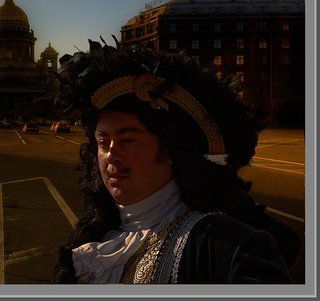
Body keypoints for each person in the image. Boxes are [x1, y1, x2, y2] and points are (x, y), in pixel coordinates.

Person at [51, 40, 301, 284]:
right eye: (103, 142)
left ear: (170, 148)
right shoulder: (96, 238)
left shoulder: (227, 247)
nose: (111, 155)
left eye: (128, 140)